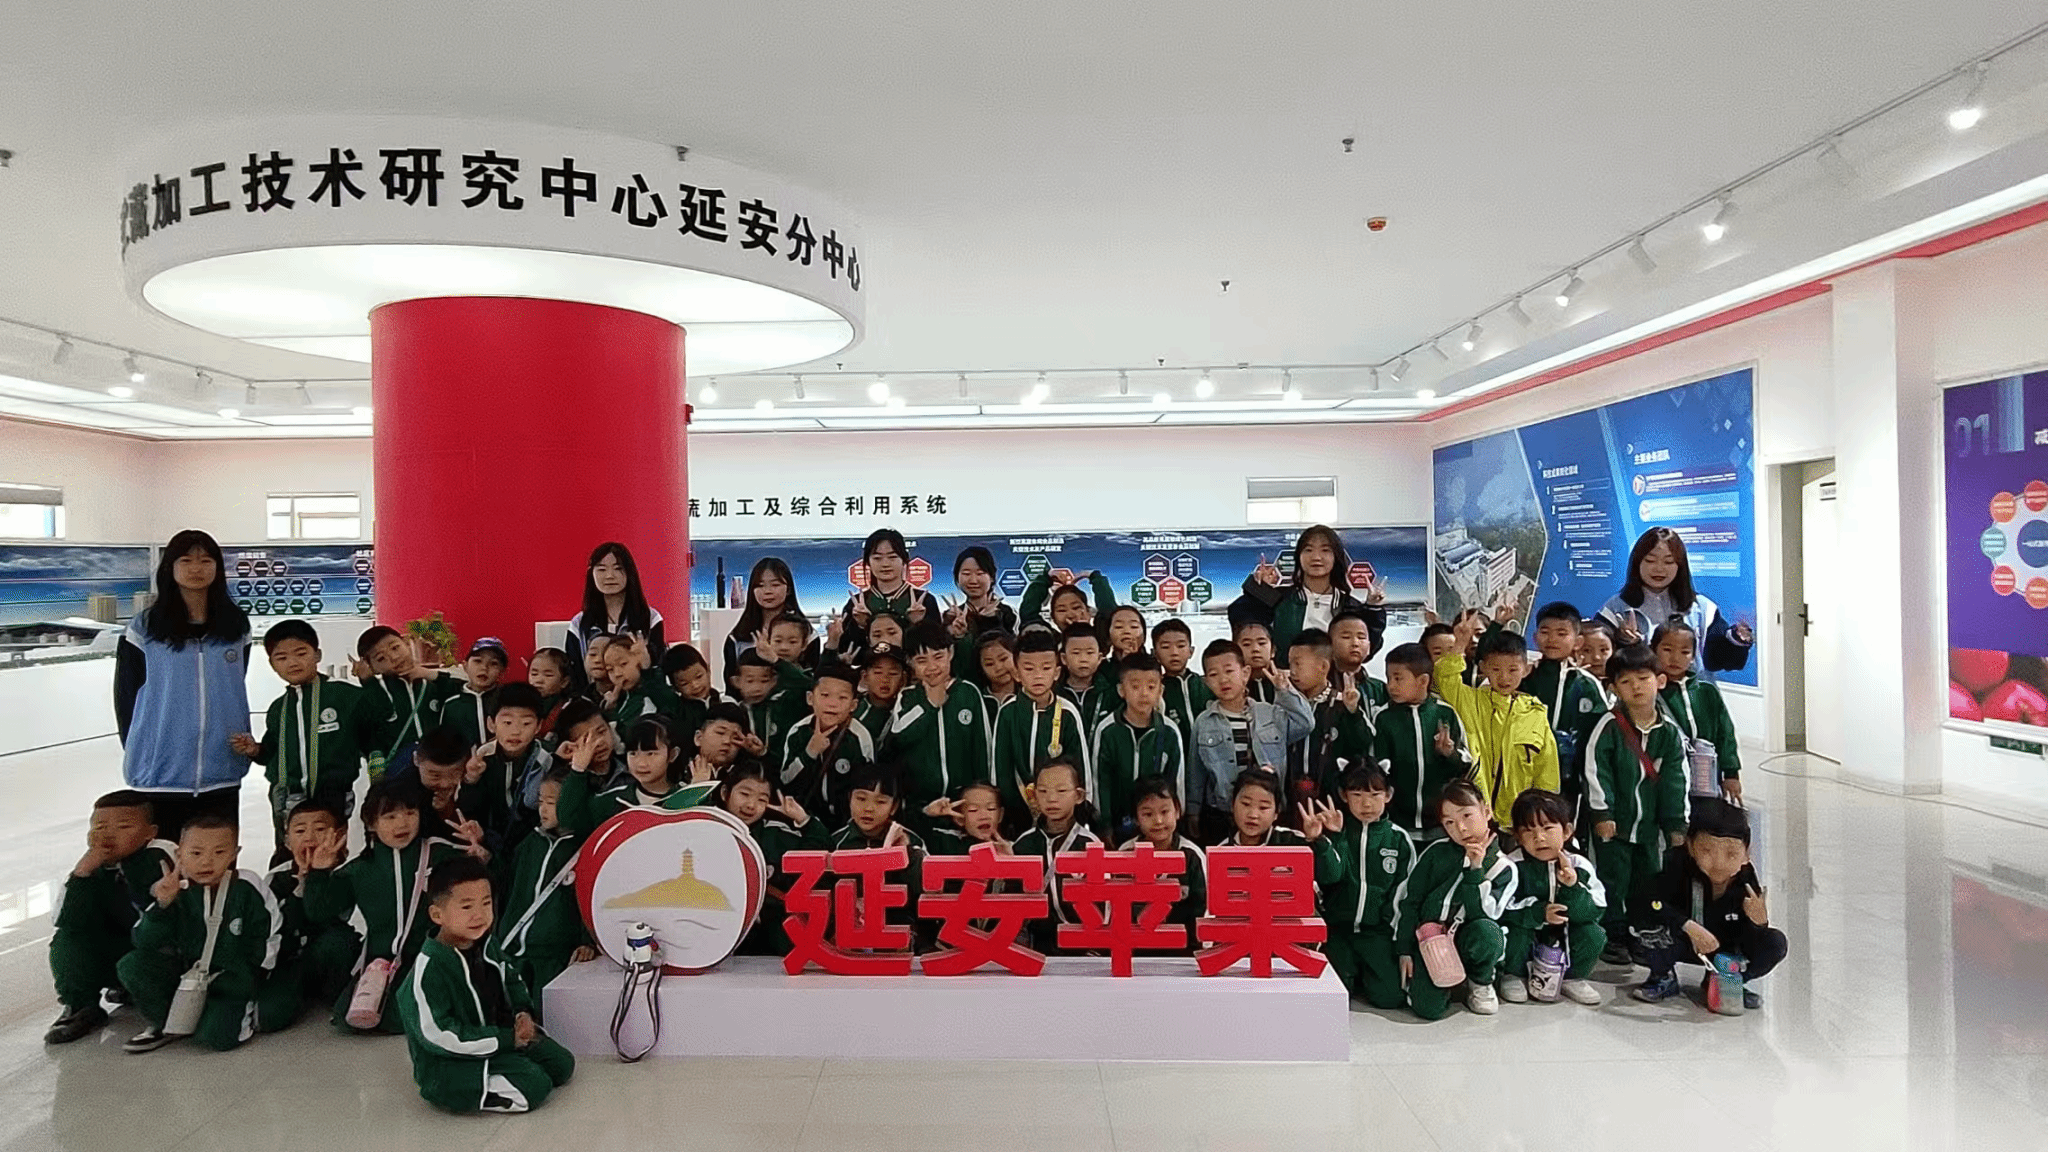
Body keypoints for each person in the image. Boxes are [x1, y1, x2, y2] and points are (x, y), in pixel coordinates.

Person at [399, 857, 576, 1114]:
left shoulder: (487, 944)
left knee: (562, 1065)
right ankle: (463, 1090)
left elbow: (512, 979)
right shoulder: (429, 970)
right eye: (466, 906)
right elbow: (437, 1034)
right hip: (451, 1062)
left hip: (493, 1041)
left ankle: (507, 1066)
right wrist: (505, 1040)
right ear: (437, 915)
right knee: (535, 1086)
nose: (479, 915)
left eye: (486, 903)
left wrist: (522, 1013)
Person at [114, 529, 253, 838]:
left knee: (216, 859)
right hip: (160, 774)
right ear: (170, 568)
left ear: (217, 568)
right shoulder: (144, 628)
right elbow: (126, 696)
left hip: (222, 770)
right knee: (164, 862)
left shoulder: (235, 626)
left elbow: (234, 684)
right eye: (186, 560)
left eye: (206, 560)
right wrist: (141, 748)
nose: (196, 568)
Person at [304, 778, 464, 1033]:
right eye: (390, 817)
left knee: (400, 1018)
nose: (402, 824)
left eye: (410, 813)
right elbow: (319, 912)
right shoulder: (361, 869)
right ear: (371, 824)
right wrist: (319, 872)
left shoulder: (442, 854)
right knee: (349, 1020)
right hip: (380, 965)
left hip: (430, 958)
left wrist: (485, 856)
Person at [114, 813, 283, 1053]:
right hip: (185, 977)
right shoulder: (173, 889)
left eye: (219, 853)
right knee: (132, 964)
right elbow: (143, 941)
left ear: (234, 854)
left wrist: (245, 979)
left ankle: (233, 1011)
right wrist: (162, 905)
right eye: (196, 853)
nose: (206, 862)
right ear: (179, 854)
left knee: (217, 1039)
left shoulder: (247, 886)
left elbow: (269, 936)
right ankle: (165, 1023)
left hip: (231, 979)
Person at [231, 618, 389, 855]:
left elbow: (381, 721)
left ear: (317, 655)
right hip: (286, 801)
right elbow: (270, 753)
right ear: (272, 664)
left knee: (330, 856)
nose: (292, 662)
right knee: (288, 859)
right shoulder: (278, 709)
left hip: (332, 796)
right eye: (282, 658)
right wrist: (255, 750)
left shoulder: (345, 696)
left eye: (301, 653)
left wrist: (369, 682)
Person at [44, 791, 176, 1044]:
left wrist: (128, 867)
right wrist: (82, 874)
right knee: (67, 940)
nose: (108, 835)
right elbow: (65, 921)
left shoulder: (161, 857)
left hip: (162, 955)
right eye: (100, 827)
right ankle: (81, 1006)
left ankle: (149, 993)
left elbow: (166, 921)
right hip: (120, 950)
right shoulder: (93, 865)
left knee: (138, 961)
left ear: (150, 832)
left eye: (123, 827)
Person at [1584, 644, 1687, 964]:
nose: (1636, 687)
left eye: (1643, 679)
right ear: (1614, 688)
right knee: (1613, 879)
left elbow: (1676, 780)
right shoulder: (1608, 726)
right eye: (1626, 682)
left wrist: (1676, 824)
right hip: (1614, 826)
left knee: (1648, 879)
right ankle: (1614, 933)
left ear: (1660, 681)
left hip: (1649, 828)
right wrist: (1603, 812)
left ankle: (1643, 930)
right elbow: (1596, 771)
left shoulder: (1669, 733)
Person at [1633, 799, 1785, 1009]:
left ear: (1746, 854)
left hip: (1723, 946)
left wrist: (1759, 923)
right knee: (1646, 924)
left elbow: (1749, 935)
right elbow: (1651, 903)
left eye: (1731, 854)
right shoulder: (1675, 863)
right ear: (1690, 846)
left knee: (1775, 942)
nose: (1719, 863)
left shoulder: (1746, 878)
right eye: (1707, 851)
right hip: (1681, 941)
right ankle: (1663, 976)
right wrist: (1687, 925)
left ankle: (1728, 981)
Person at [1395, 779, 1518, 1019]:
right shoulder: (1435, 853)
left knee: (1488, 932)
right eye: (1449, 822)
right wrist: (1404, 949)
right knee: (1428, 1009)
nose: (1460, 828)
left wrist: (1475, 870)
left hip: (1469, 938)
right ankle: (1444, 983)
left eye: (1467, 816)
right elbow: (1410, 901)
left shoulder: (1504, 867)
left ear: (1486, 811)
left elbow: (1484, 914)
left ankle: (1479, 981)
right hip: (1432, 942)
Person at [1433, 614, 1559, 827]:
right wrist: (1460, 644)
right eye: (1496, 669)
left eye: (1513, 670)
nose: (1504, 678)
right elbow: (1445, 679)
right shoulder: (1471, 701)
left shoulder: (1535, 713)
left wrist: (1543, 815)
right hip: (1476, 817)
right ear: (1483, 668)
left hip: (1521, 820)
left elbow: (1547, 769)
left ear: (1526, 669)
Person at [1305, 764, 1413, 1009]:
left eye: (1375, 795)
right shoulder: (1337, 831)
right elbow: (1330, 876)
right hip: (1338, 931)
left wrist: (1393, 935)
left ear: (1388, 795)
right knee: (1334, 996)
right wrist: (1324, 840)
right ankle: (1351, 970)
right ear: (1344, 795)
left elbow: (1404, 893)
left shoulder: (1398, 839)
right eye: (1357, 795)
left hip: (1377, 933)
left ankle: (1366, 971)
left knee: (1390, 998)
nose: (1366, 804)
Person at [1189, 640, 1313, 843]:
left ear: (1245, 673)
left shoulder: (1269, 714)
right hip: (1222, 813)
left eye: (1229, 671)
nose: (1223, 679)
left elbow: (1305, 723)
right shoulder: (1204, 722)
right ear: (1206, 682)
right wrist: (1193, 811)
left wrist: (1285, 691)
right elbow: (1196, 772)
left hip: (1266, 811)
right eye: (1213, 674)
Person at [495, 767, 596, 1006]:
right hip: (513, 951)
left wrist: (588, 940)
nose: (543, 809)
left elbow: (590, 898)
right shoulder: (529, 844)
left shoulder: (583, 849)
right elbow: (506, 885)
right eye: (541, 802)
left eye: (551, 802)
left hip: (554, 956)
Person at [259, 798, 361, 1027]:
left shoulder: (349, 873)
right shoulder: (276, 877)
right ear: (287, 841)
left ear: (340, 834)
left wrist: (317, 875)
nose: (309, 837)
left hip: (330, 956)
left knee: (339, 942)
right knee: (269, 1017)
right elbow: (277, 929)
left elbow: (322, 915)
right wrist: (299, 888)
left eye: (320, 829)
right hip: (291, 958)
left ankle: (335, 995)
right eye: (300, 831)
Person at [1598, 527, 1752, 678]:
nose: (1659, 569)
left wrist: (1736, 639)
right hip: (1638, 693)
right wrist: (1624, 644)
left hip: (1692, 692)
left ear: (1680, 565)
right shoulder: (1615, 608)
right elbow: (1599, 663)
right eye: (1650, 560)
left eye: (1668, 562)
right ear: (1637, 563)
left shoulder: (1702, 608)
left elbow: (1716, 661)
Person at [1499, 789, 1606, 1006]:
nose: (1539, 838)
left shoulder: (1579, 865)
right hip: (1527, 937)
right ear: (1517, 836)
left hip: (1563, 938)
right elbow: (1499, 909)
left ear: (1567, 831)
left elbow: (1596, 909)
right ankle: (1513, 975)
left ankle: (1572, 978)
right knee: (1514, 931)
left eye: (1548, 828)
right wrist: (1538, 913)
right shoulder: (1511, 866)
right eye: (1528, 831)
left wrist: (1572, 887)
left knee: (1594, 934)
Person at [1228, 525, 1388, 669]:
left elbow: (1368, 650)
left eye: (1325, 550)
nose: (1316, 557)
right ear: (1299, 556)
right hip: (1284, 683)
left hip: (1336, 685)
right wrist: (1259, 591)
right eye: (1308, 550)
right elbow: (1241, 623)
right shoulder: (1280, 599)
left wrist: (1373, 609)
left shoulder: (1349, 606)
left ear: (1336, 557)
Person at [891, 622, 994, 825]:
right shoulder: (907, 697)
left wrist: (979, 796)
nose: (932, 667)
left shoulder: (968, 693)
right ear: (910, 662)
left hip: (964, 804)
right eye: (921, 660)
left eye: (938, 657)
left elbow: (983, 749)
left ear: (951, 653)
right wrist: (929, 705)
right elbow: (899, 738)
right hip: (919, 806)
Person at [720, 761, 828, 954]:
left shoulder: (775, 834)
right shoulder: (706, 827)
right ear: (724, 793)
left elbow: (819, 852)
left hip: (771, 937)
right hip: (719, 928)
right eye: (744, 794)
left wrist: (803, 820)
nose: (751, 805)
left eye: (762, 799)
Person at [992, 631, 1092, 829]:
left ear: (1056, 672)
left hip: (1061, 813)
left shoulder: (1067, 712)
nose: (1038, 675)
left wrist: (1082, 813)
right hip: (1016, 815)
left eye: (1046, 668)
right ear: (1017, 674)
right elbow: (1000, 768)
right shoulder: (1007, 713)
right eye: (1029, 669)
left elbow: (1081, 768)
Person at [1371, 643, 1471, 839]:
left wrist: (1450, 754)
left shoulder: (1445, 713)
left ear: (1423, 680)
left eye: (1398, 678)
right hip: (1396, 822)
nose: (1391, 686)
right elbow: (1378, 770)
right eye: (1388, 678)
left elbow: (1466, 764)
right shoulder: (1383, 718)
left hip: (1441, 823)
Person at [1521, 603, 1608, 815]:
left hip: (1570, 779)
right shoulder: (1523, 677)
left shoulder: (1587, 684)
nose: (1552, 639)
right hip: (1524, 773)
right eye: (1545, 632)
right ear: (1535, 638)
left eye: (1562, 633)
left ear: (1578, 642)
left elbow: (1601, 736)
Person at [1090, 652, 1187, 843]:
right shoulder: (1107, 730)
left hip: (1157, 824)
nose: (1144, 693)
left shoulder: (1169, 731)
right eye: (1135, 686)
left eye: (1151, 686)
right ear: (1121, 690)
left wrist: (1174, 819)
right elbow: (1100, 781)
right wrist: (1104, 825)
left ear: (1160, 691)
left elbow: (1176, 780)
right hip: (1117, 824)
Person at [1011, 757, 1102, 952]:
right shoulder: (1023, 844)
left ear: (1079, 795)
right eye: (1043, 791)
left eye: (1061, 791)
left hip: (1082, 945)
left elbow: (1102, 902)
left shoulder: (1090, 844)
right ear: (1034, 795)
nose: (1051, 799)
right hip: (1036, 945)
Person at [1279, 627, 1374, 810]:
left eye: (1298, 664)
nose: (1292, 671)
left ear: (1323, 666)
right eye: (1290, 664)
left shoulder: (1342, 703)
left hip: (1334, 801)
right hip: (1292, 799)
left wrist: (1353, 711)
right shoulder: (1287, 705)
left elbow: (1364, 742)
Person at [357, 623, 463, 780]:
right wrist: (369, 683)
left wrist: (431, 675)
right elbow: (370, 731)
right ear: (372, 667)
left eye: (395, 648)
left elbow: (468, 689)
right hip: (399, 777)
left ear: (407, 643)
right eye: (381, 658)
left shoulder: (433, 683)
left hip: (439, 770)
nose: (394, 658)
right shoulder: (374, 693)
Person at [1654, 620, 1744, 803]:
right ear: (1653, 650)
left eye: (1685, 652)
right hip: (1667, 779)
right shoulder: (1650, 693)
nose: (1675, 658)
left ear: (1694, 656)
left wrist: (1731, 773)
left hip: (1706, 777)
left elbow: (1725, 733)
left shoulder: (1706, 691)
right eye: (1667, 650)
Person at [782, 659, 878, 827]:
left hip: (846, 822)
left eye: (842, 697)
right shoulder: (798, 731)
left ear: (853, 705)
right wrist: (810, 753)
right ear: (810, 698)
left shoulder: (859, 736)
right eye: (825, 695)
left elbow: (866, 786)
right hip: (803, 818)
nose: (833, 703)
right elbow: (786, 780)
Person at [1118, 775, 1205, 952]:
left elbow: (1202, 908)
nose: (1158, 821)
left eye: (1165, 812)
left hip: (1183, 951)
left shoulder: (1192, 855)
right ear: (1136, 818)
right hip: (1136, 949)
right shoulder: (1126, 853)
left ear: (1177, 811)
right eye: (1148, 814)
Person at [557, 717, 685, 835]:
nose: (641, 763)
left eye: (651, 753)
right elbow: (569, 821)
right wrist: (578, 769)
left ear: (672, 755)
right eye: (633, 753)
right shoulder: (613, 800)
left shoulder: (687, 798)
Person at [465, 683, 554, 848]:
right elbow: (470, 809)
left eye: (526, 723)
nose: (516, 731)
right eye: (507, 722)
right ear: (491, 724)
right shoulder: (481, 757)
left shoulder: (547, 759)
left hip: (531, 841)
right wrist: (471, 779)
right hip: (487, 838)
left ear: (538, 726)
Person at [834, 529, 940, 654]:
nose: (885, 564)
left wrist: (917, 624)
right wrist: (860, 626)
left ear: (904, 560)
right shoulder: (856, 604)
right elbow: (847, 653)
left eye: (892, 557)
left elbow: (937, 648)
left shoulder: (924, 601)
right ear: (868, 562)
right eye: (877, 558)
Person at [565, 542, 666, 671]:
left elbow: (659, 665)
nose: (609, 576)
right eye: (602, 569)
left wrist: (645, 659)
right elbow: (574, 671)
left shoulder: (650, 618)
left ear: (629, 572)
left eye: (618, 568)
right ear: (592, 574)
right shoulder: (579, 623)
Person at [724, 557, 820, 685]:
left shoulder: (808, 634)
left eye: (775, 585)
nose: (768, 591)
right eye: (760, 585)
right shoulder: (737, 638)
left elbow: (813, 680)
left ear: (788, 589)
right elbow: (731, 682)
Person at [1151, 618, 1213, 753]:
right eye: (1165, 647)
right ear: (1155, 653)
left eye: (1180, 646)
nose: (1174, 652)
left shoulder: (1207, 684)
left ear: (1191, 651)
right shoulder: (1155, 691)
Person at [600, 636, 678, 738]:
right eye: (610, 669)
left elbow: (671, 706)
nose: (617, 674)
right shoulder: (620, 701)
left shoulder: (657, 687)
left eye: (623, 664)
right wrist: (610, 711)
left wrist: (647, 671)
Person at [442, 637, 510, 749]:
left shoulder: (509, 700)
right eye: (478, 661)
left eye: (493, 663)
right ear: (465, 666)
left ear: (502, 671)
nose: (484, 668)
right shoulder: (452, 705)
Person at [944, 546, 1019, 644]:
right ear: (957, 578)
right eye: (966, 574)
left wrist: (990, 620)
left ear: (991, 577)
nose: (973, 581)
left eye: (980, 573)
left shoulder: (1007, 613)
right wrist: (954, 633)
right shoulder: (951, 617)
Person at [1223, 769, 1310, 847]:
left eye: (1263, 807)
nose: (1253, 815)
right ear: (1233, 805)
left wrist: (1313, 839)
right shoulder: (1222, 849)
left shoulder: (1292, 841)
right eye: (1246, 804)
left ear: (1276, 812)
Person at [1019, 567, 1118, 636]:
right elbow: (1028, 613)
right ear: (1053, 618)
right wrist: (1047, 577)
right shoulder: (1051, 643)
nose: (1070, 615)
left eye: (1076, 608)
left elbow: (1109, 611)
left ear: (1088, 611)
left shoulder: (1100, 639)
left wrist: (1093, 576)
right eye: (1061, 610)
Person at [1056, 623, 1116, 732]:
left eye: (1089, 653)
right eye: (1076, 653)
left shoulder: (1109, 692)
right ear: (1064, 658)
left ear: (1099, 658)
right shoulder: (1055, 693)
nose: (1083, 659)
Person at [1328, 610, 1388, 713]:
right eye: (1346, 637)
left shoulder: (1380, 689)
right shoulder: (1320, 686)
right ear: (1330, 644)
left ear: (1369, 646)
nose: (1355, 643)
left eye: (1361, 637)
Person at [661, 643, 724, 739]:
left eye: (699, 677)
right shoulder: (677, 714)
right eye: (685, 684)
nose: (695, 685)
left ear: (708, 670)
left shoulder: (726, 702)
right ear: (675, 687)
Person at [856, 642, 914, 743]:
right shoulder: (852, 710)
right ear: (865, 677)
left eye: (893, 673)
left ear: (903, 679)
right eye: (878, 672)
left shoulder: (908, 710)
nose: (885, 679)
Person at [526, 646, 579, 738]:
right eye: (534, 674)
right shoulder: (521, 704)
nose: (538, 680)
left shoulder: (571, 708)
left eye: (548, 675)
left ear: (564, 682)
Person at [1233, 619, 1280, 704]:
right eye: (1247, 644)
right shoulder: (1231, 686)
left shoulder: (1289, 682)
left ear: (1272, 651)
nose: (1255, 649)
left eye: (1261, 643)